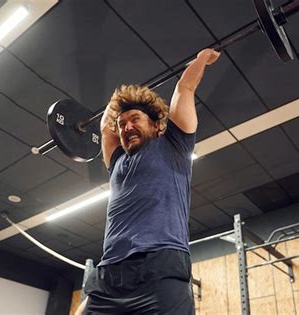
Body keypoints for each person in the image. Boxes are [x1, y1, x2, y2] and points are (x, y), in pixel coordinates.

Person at [76, 48, 220, 315]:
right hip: (110, 274)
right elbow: (105, 127)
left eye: (135, 119)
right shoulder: (117, 162)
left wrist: (201, 60)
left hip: (160, 268)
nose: (127, 126)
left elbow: (185, 88)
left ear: (156, 125)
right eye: (122, 124)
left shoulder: (175, 145)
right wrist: (119, 103)